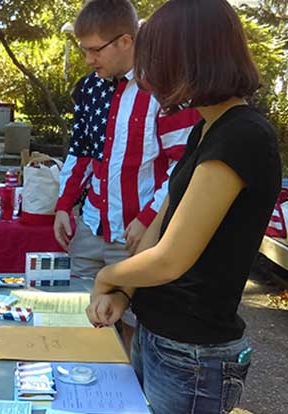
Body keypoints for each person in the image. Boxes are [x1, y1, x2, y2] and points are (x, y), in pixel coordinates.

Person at [85, 0, 281, 414]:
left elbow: (173, 257)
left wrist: (107, 278)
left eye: (154, 59)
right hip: (159, 336)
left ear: (188, 59)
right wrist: (125, 292)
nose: (147, 74)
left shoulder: (243, 134)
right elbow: (161, 225)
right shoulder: (206, 127)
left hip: (192, 354)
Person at [53, 0, 199, 351]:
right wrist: (63, 204)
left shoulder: (166, 88)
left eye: (94, 50)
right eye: (84, 50)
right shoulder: (90, 88)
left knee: (133, 322)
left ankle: (127, 396)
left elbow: (185, 165)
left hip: (136, 234)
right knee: (78, 310)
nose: (89, 59)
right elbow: (82, 150)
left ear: (126, 41)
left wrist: (149, 218)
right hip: (91, 225)